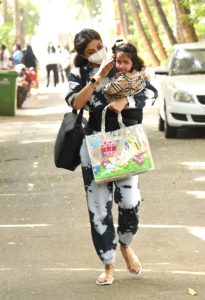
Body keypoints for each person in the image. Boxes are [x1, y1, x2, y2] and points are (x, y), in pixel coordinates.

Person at [65, 28, 157, 285]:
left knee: (129, 201)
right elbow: (75, 103)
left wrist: (127, 100)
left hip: (127, 144)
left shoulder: (124, 61)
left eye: (98, 47)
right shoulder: (80, 73)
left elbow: (151, 92)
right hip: (94, 146)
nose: (96, 53)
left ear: (104, 43)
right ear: (83, 55)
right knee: (98, 208)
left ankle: (126, 244)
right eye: (89, 52)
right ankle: (108, 264)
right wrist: (97, 78)